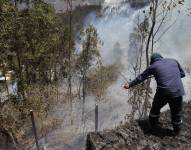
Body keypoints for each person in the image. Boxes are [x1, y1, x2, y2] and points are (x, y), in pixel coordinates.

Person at [124, 53, 185, 135]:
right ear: (161, 57)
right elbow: (182, 74)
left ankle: (153, 125)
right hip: (178, 91)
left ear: (152, 61)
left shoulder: (153, 66)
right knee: (176, 112)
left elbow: (141, 77)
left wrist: (129, 85)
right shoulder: (174, 61)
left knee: (155, 108)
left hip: (163, 92)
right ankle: (176, 131)